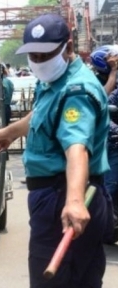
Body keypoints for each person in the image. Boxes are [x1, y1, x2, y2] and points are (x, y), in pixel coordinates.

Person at [0, 14, 114, 287]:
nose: (39, 63)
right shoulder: (56, 82)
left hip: (65, 198)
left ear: (68, 48)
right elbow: (41, 114)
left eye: (46, 55)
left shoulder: (76, 91)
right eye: (33, 56)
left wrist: (74, 201)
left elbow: (77, 147)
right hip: (59, 196)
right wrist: (10, 132)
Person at [90, 45, 118, 243]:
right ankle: (110, 221)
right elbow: (104, 102)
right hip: (111, 140)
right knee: (110, 186)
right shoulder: (94, 82)